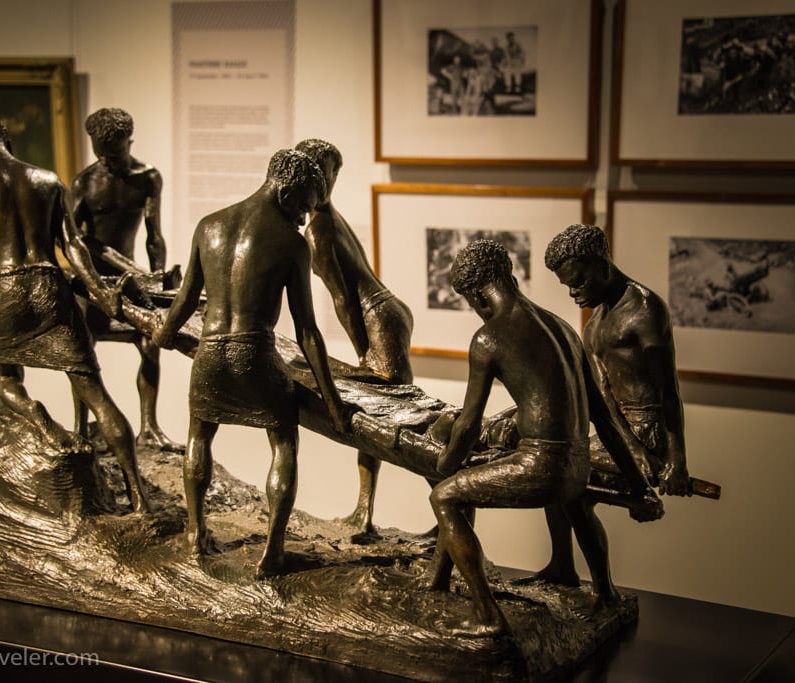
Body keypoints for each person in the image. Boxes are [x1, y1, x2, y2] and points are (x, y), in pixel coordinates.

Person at [0, 117, 149, 512]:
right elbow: (74, 248)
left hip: (11, 289)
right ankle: (139, 498)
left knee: (7, 380)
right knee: (97, 395)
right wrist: (101, 293)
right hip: (52, 286)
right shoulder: (47, 179)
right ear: (5, 143)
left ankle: (39, 420)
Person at [152, 149, 354, 576]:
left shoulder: (209, 225)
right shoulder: (291, 244)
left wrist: (163, 335)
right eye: (303, 205)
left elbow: (187, 298)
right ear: (284, 188)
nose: (303, 219)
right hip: (254, 356)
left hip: (209, 355)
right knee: (284, 443)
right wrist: (332, 401)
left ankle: (195, 533)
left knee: (200, 435)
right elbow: (307, 332)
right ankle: (273, 551)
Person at [424, 239, 601, 637]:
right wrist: (637, 481)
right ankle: (598, 589)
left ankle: (488, 616)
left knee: (445, 496)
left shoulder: (489, 338)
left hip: (542, 468)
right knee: (573, 499)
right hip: (578, 466)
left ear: (477, 296)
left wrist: (445, 464)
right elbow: (600, 415)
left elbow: (468, 425)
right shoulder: (564, 327)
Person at [294, 139, 415, 535]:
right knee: (380, 414)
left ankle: (438, 505)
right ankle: (364, 510)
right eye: (326, 172)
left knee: (394, 415)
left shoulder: (318, 228)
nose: (329, 181)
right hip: (387, 312)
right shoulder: (326, 217)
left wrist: (363, 351)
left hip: (379, 317)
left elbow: (343, 300)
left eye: (333, 173)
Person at [545, 224, 690, 496]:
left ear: (601, 267)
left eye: (578, 283)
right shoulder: (594, 326)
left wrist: (676, 460)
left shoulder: (644, 309)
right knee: (557, 478)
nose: (572, 293)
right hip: (616, 434)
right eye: (568, 286)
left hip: (648, 433)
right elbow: (603, 397)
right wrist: (628, 450)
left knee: (560, 472)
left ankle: (644, 502)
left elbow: (668, 391)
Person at [71, 107, 182, 453]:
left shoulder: (148, 179)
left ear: (129, 142)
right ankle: (80, 429)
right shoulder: (83, 184)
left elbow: (154, 235)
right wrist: (102, 269)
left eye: (114, 152)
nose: (106, 160)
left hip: (132, 280)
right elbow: (74, 240)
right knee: (81, 351)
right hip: (91, 282)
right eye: (99, 152)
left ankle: (148, 427)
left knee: (152, 343)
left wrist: (159, 282)